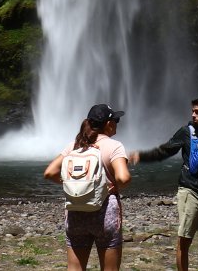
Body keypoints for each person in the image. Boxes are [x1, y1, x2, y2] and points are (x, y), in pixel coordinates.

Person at [131, 96, 198, 271]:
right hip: (190, 190)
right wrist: (142, 156)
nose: (193, 115)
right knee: (185, 239)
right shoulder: (186, 132)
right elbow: (165, 151)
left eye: (197, 112)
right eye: (192, 112)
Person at [42, 103, 131, 271]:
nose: (117, 124)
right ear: (108, 124)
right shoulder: (114, 146)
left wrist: (76, 184)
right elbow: (123, 178)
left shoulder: (74, 146)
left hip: (76, 210)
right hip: (105, 212)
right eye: (116, 120)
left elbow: (49, 172)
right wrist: (104, 186)